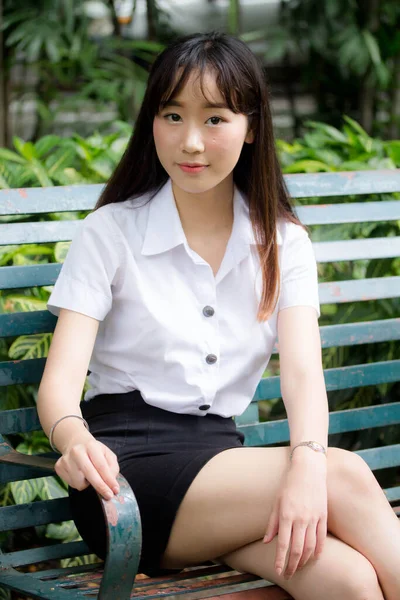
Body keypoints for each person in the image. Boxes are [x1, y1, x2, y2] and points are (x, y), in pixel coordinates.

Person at [37, 31, 400, 600]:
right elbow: (57, 387)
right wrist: (72, 437)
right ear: (151, 121)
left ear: (251, 126)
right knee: (346, 475)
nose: (190, 141)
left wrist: (305, 470)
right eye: (173, 115)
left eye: (215, 119)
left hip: (224, 472)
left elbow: (303, 374)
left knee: (348, 582)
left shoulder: (282, 242)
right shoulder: (111, 232)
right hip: (128, 474)